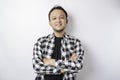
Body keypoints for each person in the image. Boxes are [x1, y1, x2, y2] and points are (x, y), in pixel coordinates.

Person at [32, 5, 84, 80]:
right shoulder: (41, 42)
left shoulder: (75, 42)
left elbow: (78, 66)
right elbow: (37, 67)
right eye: (54, 18)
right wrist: (65, 68)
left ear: (67, 21)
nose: (58, 20)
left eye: (62, 17)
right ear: (50, 22)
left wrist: (52, 62)